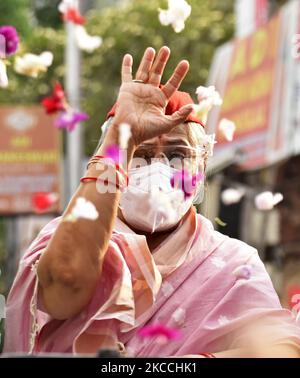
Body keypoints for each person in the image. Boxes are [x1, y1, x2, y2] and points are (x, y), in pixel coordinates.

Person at [3, 47, 300, 357]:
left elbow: (281, 349)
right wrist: (121, 134)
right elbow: (64, 286)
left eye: (176, 155)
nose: (158, 169)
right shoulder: (61, 238)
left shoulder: (233, 263)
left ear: (200, 168)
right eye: (138, 155)